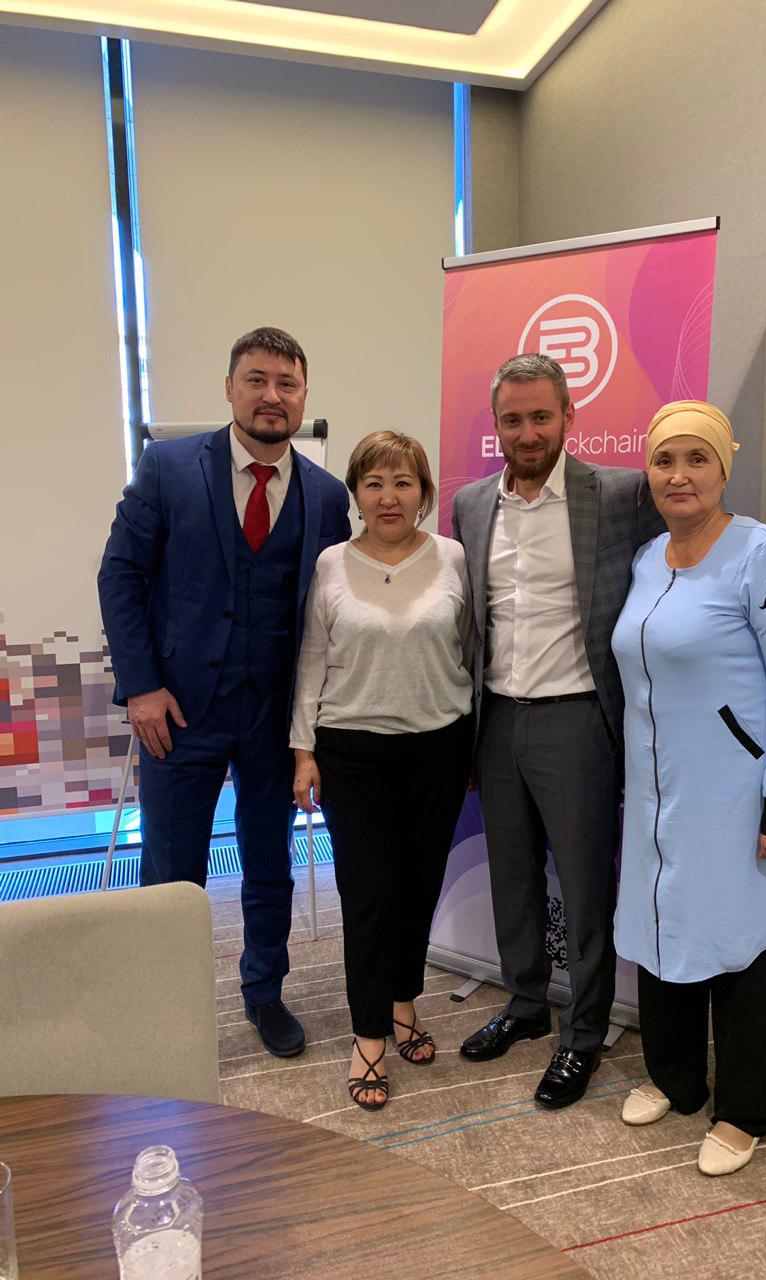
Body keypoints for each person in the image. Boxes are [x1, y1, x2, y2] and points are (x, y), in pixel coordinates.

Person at [453, 355, 766, 1111]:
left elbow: (734, 557)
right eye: (513, 419)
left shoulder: (620, 495)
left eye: (542, 416)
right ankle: (531, 1006)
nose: (528, 432)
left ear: (568, 417)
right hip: (520, 725)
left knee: (594, 890)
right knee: (526, 883)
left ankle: (584, 1035)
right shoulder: (472, 505)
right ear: (496, 427)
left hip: (584, 722)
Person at [98, 326, 352, 1058]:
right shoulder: (169, 467)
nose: (272, 395)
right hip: (178, 711)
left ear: (304, 395)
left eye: (287, 383)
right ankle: (165, 1009)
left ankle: (264, 993)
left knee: (269, 864)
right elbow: (121, 575)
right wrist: (141, 686)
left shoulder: (327, 496)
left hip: (275, 715)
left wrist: (316, 723)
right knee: (172, 871)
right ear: (231, 388)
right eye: (257, 380)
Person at [612, 400, 766, 1176]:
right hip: (656, 793)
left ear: (723, 468)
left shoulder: (760, 552)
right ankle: (676, 1078)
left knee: (742, 949)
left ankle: (744, 1111)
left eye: (697, 458)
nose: (679, 475)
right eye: (665, 460)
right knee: (665, 929)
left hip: (736, 794)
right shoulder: (647, 559)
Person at [290, 431, 474, 1111]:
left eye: (403, 482)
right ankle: (369, 1035)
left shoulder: (452, 557)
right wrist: (303, 752)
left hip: (439, 748)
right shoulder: (332, 565)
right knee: (368, 897)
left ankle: (404, 1003)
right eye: (374, 483)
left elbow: (470, 650)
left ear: (424, 493)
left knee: (419, 888)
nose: (389, 496)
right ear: (355, 494)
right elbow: (312, 660)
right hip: (353, 754)